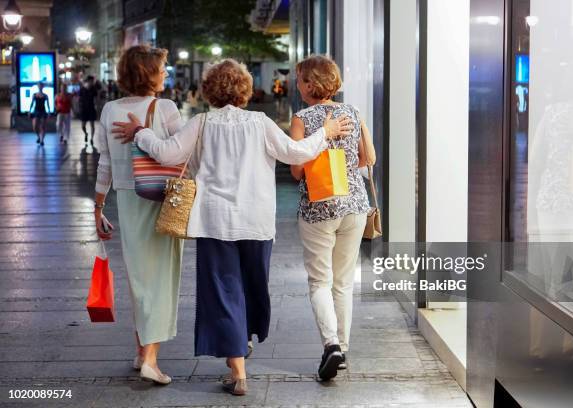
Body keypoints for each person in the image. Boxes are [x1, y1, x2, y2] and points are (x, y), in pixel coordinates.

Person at [112, 58, 354, 396]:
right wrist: (325, 135)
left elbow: (167, 154)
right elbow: (295, 153)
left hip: (214, 222)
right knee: (252, 288)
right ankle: (241, 348)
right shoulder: (260, 122)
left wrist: (141, 133)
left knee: (224, 293)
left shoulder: (202, 123)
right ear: (244, 90)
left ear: (210, 89)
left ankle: (238, 368)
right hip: (256, 222)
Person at [93, 45, 185, 385]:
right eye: (161, 68)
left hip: (128, 200)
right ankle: (150, 360)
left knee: (139, 278)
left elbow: (104, 162)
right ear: (148, 72)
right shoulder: (166, 108)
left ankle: (139, 351)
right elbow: (182, 150)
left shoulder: (109, 109)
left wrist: (98, 205)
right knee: (160, 278)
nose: (165, 74)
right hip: (161, 198)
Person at [290, 55, 376, 381]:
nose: (297, 85)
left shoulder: (302, 118)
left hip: (318, 209)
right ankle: (344, 348)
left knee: (319, 282)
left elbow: (297, 169)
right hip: (354, 206)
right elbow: (370, 158)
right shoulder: (352, 113)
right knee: (343, 283)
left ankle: (331, 345)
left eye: (300, 80)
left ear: (311, 84)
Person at [79, 75, 98, 147]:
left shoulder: (94, 89)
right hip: (84, 109)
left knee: (92, 125)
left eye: (93, 81)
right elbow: (79, 98)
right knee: (83, 126)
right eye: (92, 81)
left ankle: (92, 139)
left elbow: (96, 98)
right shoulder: (82, 89)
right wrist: (79, 107)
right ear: (88, 81)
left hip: (91, 108)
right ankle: (86, 133)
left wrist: (97, 107)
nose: (93, 82)